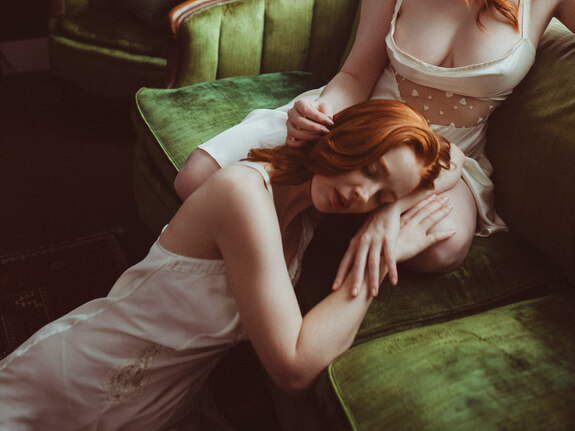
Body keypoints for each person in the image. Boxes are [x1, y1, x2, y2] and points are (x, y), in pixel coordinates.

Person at [174, 0, 575, 296]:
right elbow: (356, 73)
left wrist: (393, 210)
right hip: (358, 126)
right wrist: (321, 111)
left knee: (440, 251)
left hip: (445, 156)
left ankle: (335, 224)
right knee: (196, 179)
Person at [0, 100, 456, 431]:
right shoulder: (242, 192)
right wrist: (380, 258)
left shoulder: (310, 216)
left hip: (157, 410)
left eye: (380, 196)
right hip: (71, 383)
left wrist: (388, 216)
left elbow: (457, 160)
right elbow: (294, 369)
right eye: (371, 170)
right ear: (347, 135)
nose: (362, 196)